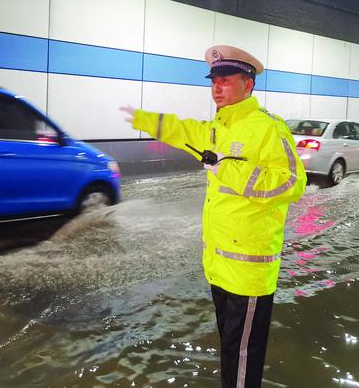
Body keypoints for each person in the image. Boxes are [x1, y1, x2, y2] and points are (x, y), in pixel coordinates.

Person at [120, 45, 307, 388]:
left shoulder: (268, 129)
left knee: (242, 361)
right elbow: (182, 130)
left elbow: (292, 184)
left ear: (248, 85)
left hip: (249, 270)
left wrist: (228, 170)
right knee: (231, 352)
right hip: (219, 264)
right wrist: (143, 119)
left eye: (225, 80)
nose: (216, 88)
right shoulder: (218, 128)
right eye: (214, 81)